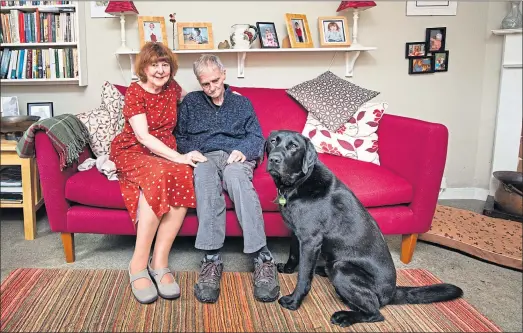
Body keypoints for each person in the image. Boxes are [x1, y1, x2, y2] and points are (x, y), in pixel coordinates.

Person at [175, 54, 280, 304]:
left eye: (215, 80)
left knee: (238, 180)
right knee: (204, 179)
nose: (211, 88)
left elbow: (257, 138)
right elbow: (179, 137)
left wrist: (244, 151)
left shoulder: (241, 103)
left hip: (236, 156)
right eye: (205, 84)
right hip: (205, 155)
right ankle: (211, 260)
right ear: (199, 83)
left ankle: (262, 258)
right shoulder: (190, 102)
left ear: (224, 74)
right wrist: (192, 152)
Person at [110, 42, 207, 304]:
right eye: (154, 64)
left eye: (165, 65)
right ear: (143, 66)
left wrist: (229, 96)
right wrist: (178, 156)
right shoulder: (134, 91)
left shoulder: (172, 88)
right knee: (162, 172)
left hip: (164, 149)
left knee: (184, 173)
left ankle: (159, 261)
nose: (160, 70)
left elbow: (194, 100)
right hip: (134, 149)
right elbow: (142, 136)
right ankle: (138, 264)